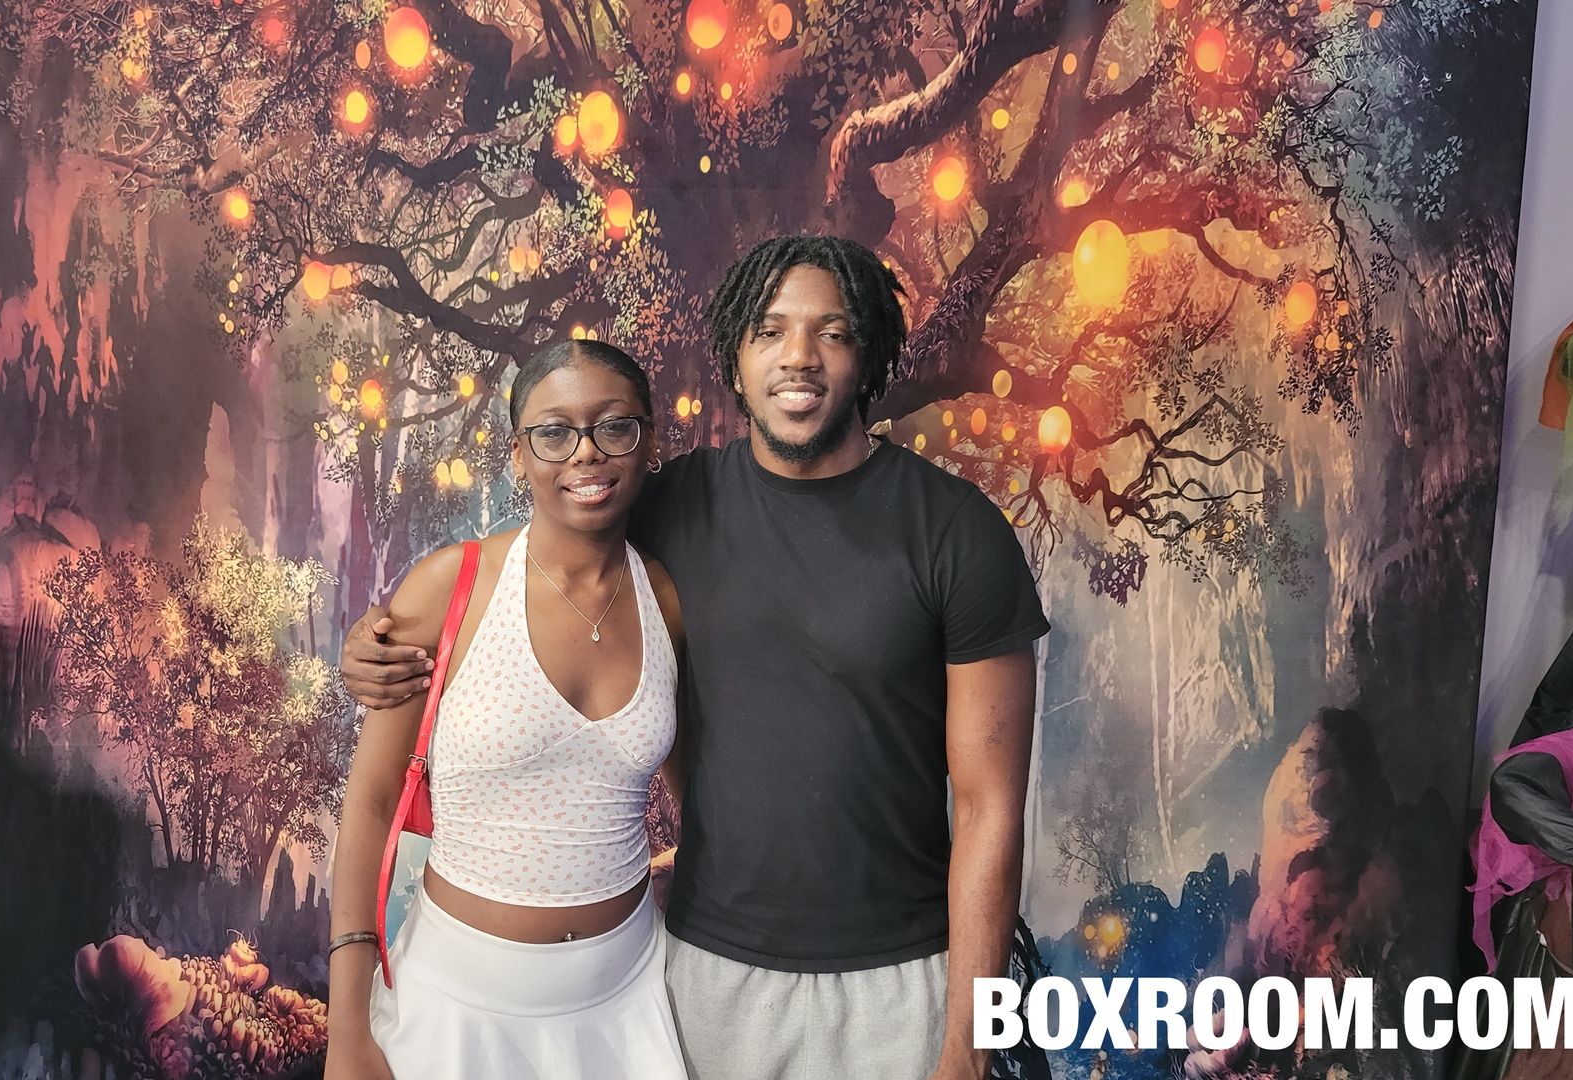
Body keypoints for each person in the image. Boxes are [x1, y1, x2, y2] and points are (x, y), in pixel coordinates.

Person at [343, 235, 1049, 1080]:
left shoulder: (958, 533)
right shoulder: (670, 505)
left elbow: (989, 807)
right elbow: (539, 550)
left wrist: (968, 1045)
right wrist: (378, 642)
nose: (798, 356)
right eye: (769, 330)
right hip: (704, 975)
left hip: (901, 976)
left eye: (832, 332)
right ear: (733, 359)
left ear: (866, 354)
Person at [322, 338, 688, 1080]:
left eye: (614, 426)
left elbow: (699, 798)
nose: (586, 452)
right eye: (553, 432)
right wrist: (346, 1029)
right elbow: (370, 802)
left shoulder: (668, 597)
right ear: (518, 456)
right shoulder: (448, 588)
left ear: (649, 443)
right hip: (458, 1013)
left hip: (629, 1003)